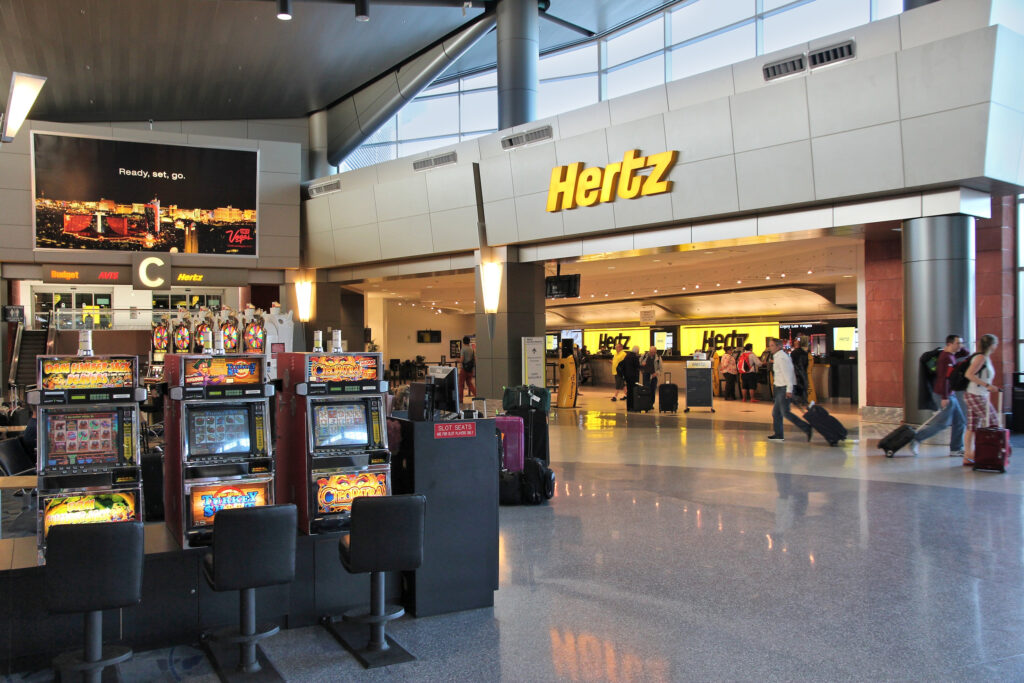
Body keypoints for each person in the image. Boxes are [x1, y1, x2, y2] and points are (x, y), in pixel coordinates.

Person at [910, 334, 966, 457]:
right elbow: (944, 378)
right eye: (958, 343)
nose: (961, 346)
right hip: (944, 394)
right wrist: (945, 397)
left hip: (950, 394)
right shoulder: (946, 358)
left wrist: (959, 347)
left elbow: (966, 353)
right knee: (942, 423)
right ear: (949, 344)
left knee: (960, 421)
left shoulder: (950, 355)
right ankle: (917, 438)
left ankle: (956, 448)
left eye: (961, 343)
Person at [963, 334, 1001, 466]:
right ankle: (986, 452)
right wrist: (987, 386)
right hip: (975, 394)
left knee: (973, 425)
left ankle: (968, 455)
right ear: (991, 345)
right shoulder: (980, 358)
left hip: (979, 394)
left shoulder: (985, 358)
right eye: (996, 343)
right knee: (993, 420)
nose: (997, 346)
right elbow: (968, 374)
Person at [766, 338, 812, 442]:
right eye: (770, 345)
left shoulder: (782, 358)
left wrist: (789, 390)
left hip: (784, 388)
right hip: (779, 387)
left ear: (778, 346)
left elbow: (788, 374)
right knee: (776, 413)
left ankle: (806, 427)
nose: (770, 347)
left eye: (772, 345)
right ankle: (778, 434)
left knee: (785, 412)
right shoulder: (777, 357)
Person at [789, 338, 809, 404]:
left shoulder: (793, 353)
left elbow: (791, 363)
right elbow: (807, 363)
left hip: (796, 372)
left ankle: (796, 400)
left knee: (796, 386)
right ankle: (804, 400)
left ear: (795, 345)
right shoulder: (805, 353)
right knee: (804, 385)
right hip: (803, 371)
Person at [459, 335, 476, 404]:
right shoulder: (471, 349)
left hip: (464, 370)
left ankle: (460, 400)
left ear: (463, 342)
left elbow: (462, 359)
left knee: (461, 385)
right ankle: (477, 396)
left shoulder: (463, 349)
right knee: (470, 384)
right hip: (470, 370)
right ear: (469, 342)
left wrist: (458, 360)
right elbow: (474, 360)